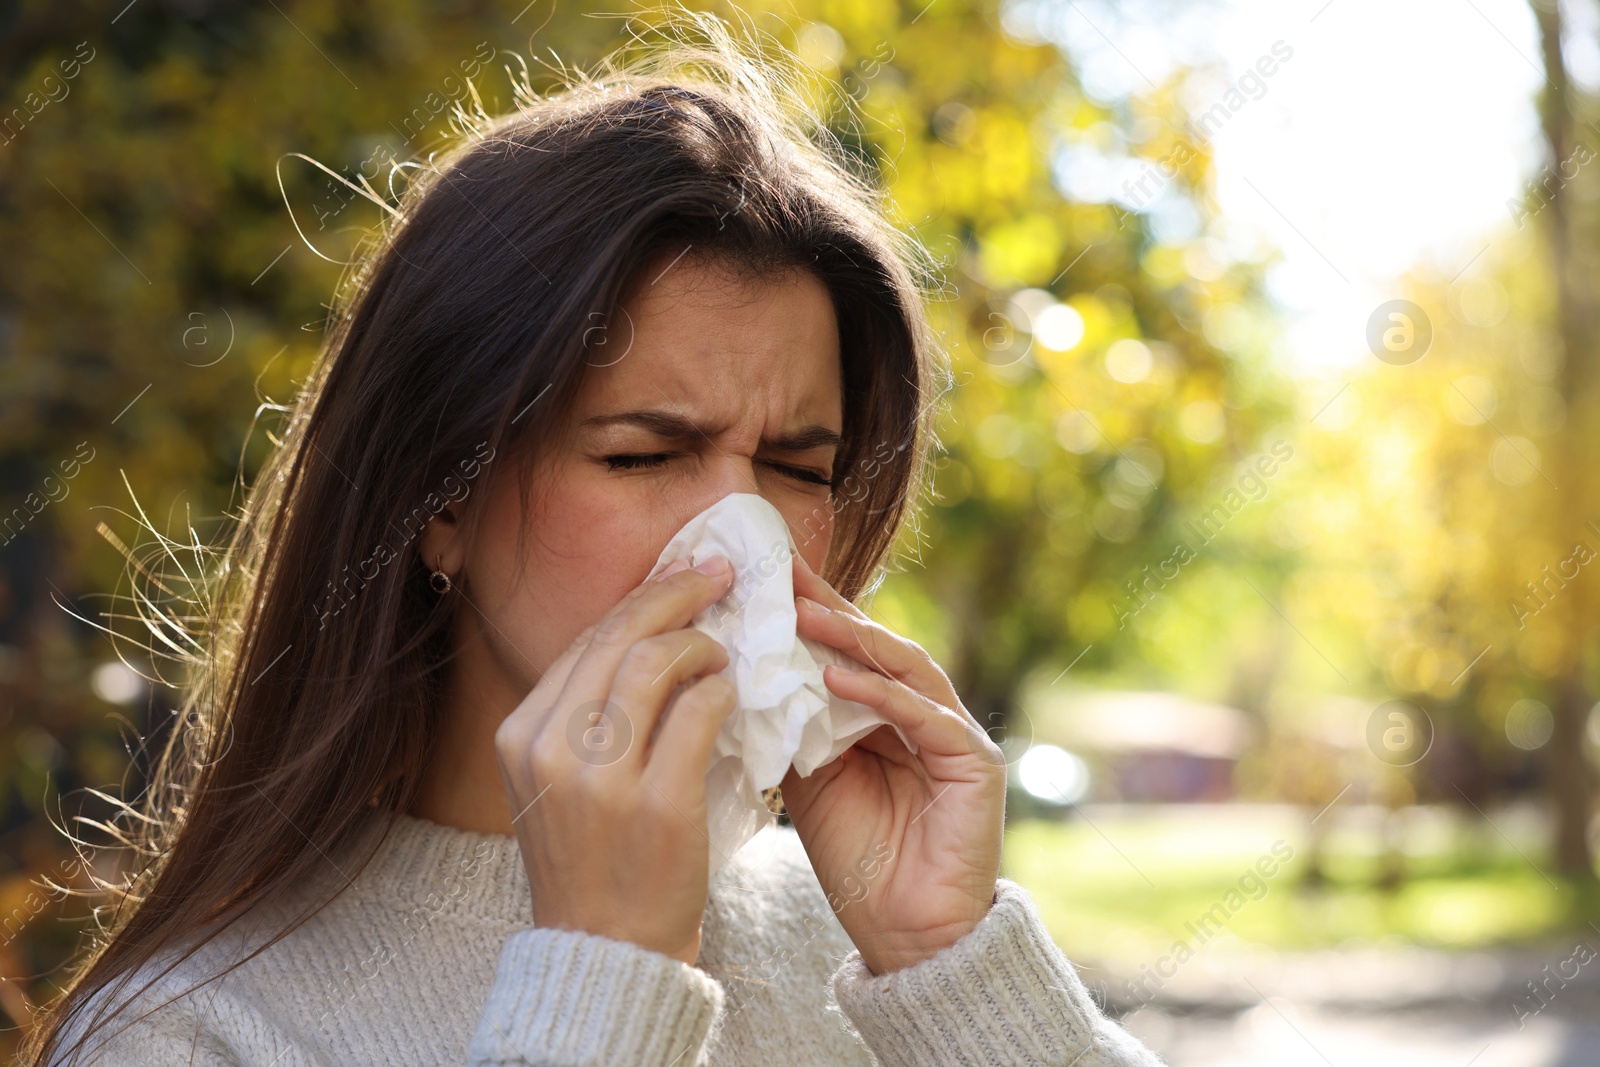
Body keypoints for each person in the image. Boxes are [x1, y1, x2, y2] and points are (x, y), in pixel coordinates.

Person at [27, 15, 1166, 1067]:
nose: (738, 538)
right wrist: (601, 980)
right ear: (442, 495)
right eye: (642, 454)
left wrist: (950, 970)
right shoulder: (196, 1024)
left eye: (797, 467)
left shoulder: (862, 944)